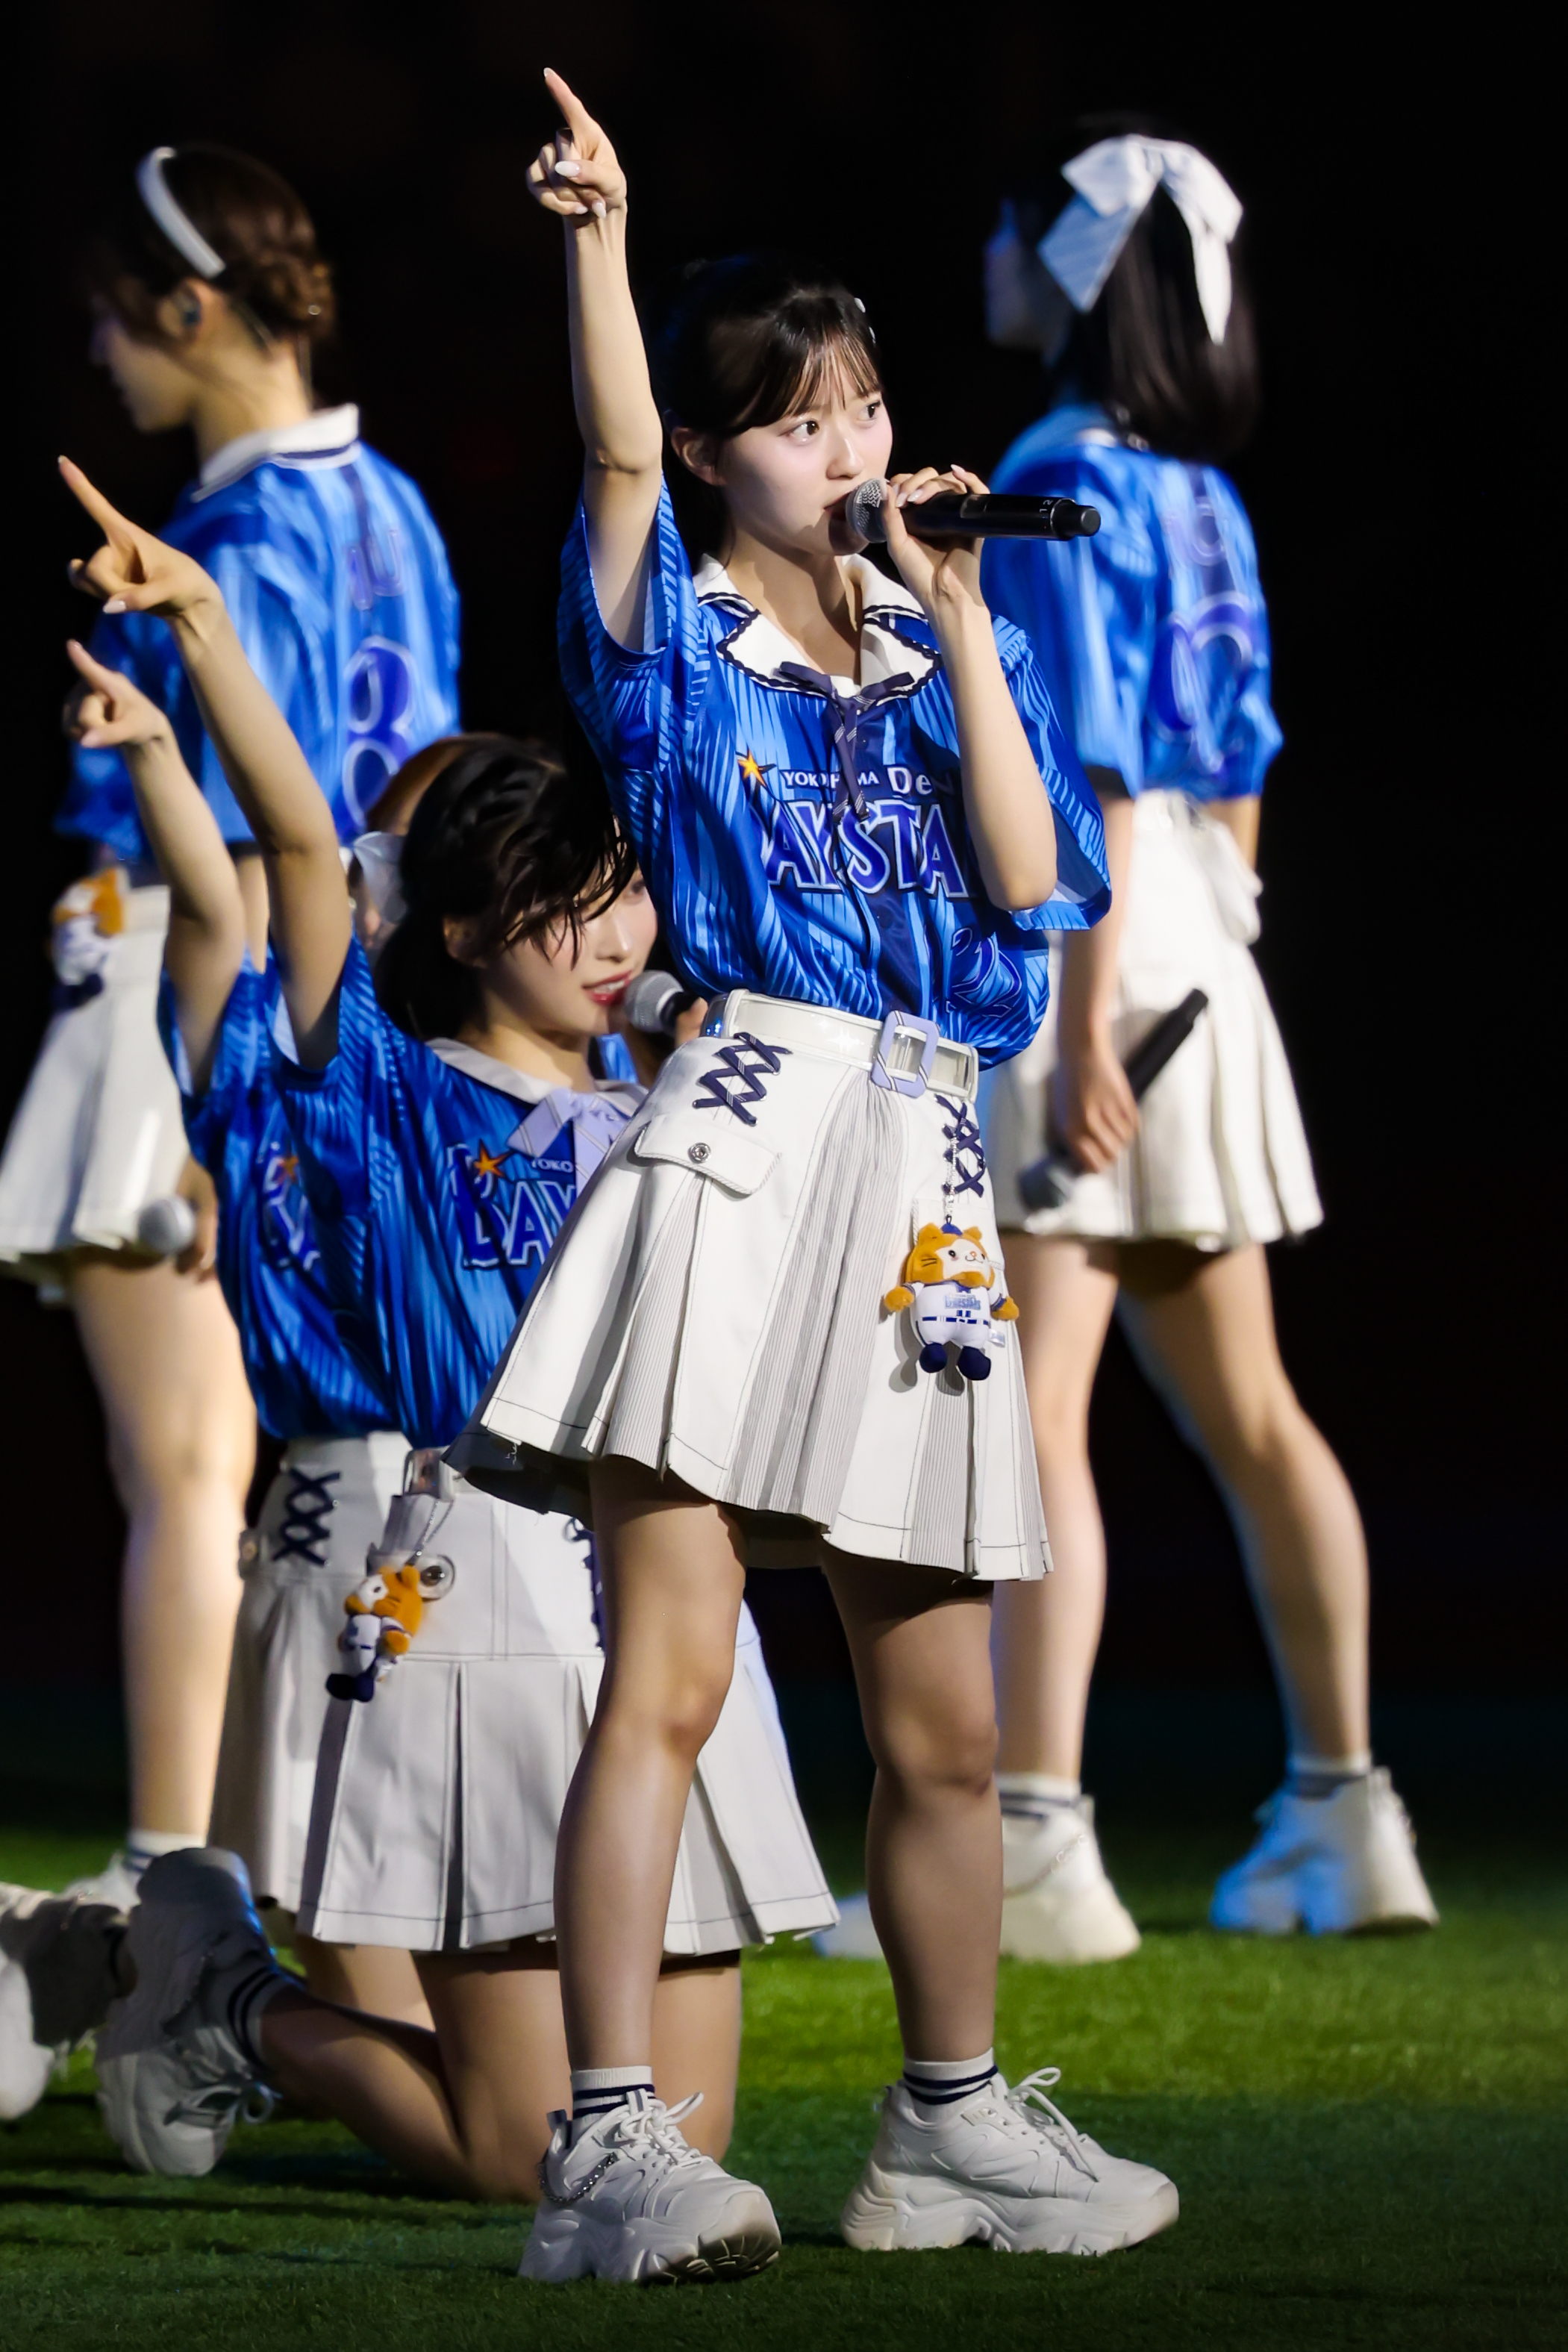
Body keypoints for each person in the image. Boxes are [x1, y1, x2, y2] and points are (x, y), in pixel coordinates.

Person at [441, 72, 1176, 2282]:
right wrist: (600, 236)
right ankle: (604, 2148)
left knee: (944, 1723)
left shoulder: (941, 646)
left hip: (925, 1171)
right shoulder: (668, 636)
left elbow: (1029, 888)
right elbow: (603, 451)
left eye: (863, 406)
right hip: (749, 1145)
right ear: (717, 446)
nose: (845, 448)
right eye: (793, 418)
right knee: (664, 1672)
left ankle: (944, 2123)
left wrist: (951, 614)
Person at [49, 482, 834, 2198]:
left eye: (628, 893)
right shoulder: (388, 1093)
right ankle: (220, 1996)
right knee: (522, 2159)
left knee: (687, 2151)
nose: (620, 933)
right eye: (574, 903)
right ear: (465, 929)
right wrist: (198, 634)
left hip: (663, 1598)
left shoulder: (674, 1097)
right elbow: (287, 854)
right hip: (471, 1597)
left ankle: (210, 1983)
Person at [976, 123, 1437, 1956]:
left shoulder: (1048, 471)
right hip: (1202, 940)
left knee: (1035, 1417)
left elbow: (1070, 759)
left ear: (1074, 268)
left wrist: (1086, 1018)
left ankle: (1030, 1835)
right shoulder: (1203, 496)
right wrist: (1192, 968)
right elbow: (1234, 775)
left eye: (1011, 233)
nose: (989, 258)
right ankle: (1345, 1810)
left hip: (1089, 942)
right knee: (1251, 1414)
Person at [0, 144, 460, 1906]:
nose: (102, 355)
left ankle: (167, 1893)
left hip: (199, 999)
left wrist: (223, 1107)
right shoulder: (398, 506)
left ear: (191, 307)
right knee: (300, 1474)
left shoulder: (233, 534)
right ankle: (278, 1871)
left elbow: (262, 846)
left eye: (116, 319)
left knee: (194, 1470)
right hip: (363, 1006)